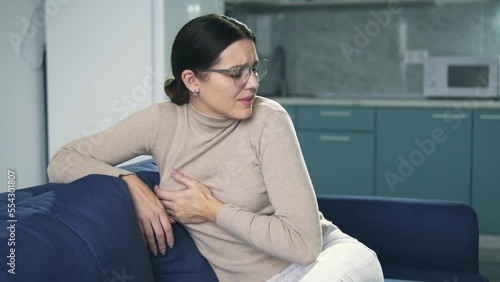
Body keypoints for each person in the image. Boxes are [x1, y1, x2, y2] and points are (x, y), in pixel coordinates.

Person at [47, 14, 384, 282]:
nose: (252, 82)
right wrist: (128, 182)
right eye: (236, 73)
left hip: (330, 262)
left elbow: (305, 245)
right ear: (193, 81)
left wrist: (212, 210)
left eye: (254, 68)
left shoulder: (269, 120)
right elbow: (63, 161)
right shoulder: (161, 122)